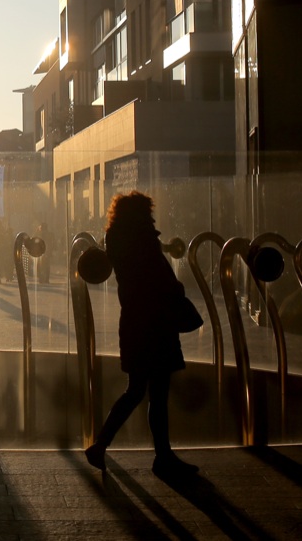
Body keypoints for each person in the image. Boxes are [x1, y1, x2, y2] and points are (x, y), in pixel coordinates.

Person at [84, 191, 198, 478]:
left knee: (135, 390)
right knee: (157, 394)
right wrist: (177, 293)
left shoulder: (118, 241)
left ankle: (101, 445)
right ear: (141, 214)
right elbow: (160, 280)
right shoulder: (143, 241)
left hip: (134, 323)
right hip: (157, 324)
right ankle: (163, 456)